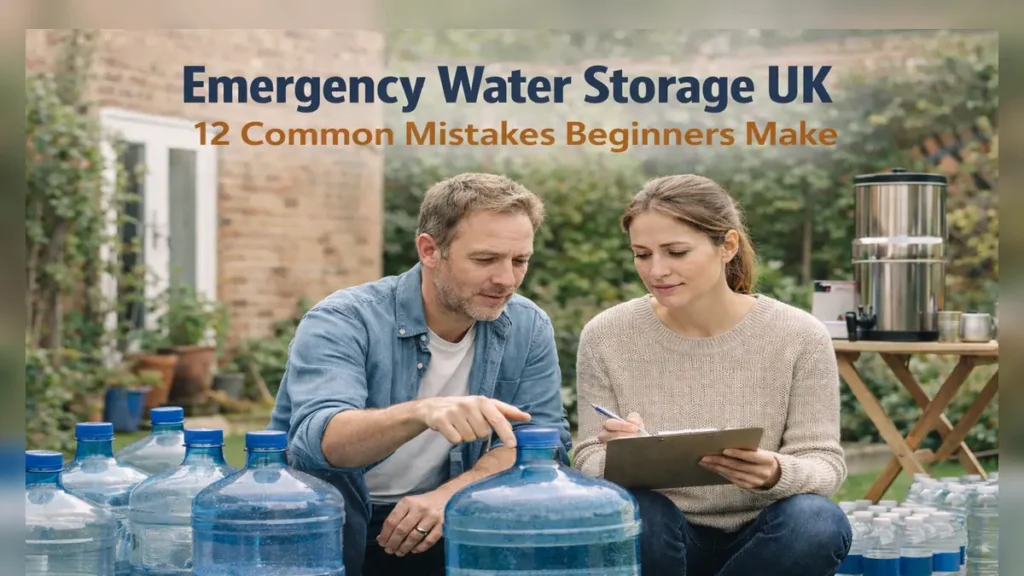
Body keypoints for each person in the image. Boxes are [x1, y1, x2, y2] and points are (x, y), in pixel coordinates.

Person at [268, 172, 573, 576]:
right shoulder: (343, 319)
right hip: (326, 521)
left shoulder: (527, 324)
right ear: (430, 250)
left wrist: (452, 494)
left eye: (520, 261)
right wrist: (422, 411)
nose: (506, 280)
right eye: (485, 260)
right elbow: (320, 444)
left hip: (447, 517)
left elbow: (543, 442)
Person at [572, 174, 852, 576]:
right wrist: (620, 456)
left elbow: (824, 462)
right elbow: (586, 457)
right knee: (639, 512)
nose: (657, 270)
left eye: (676, 251)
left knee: (817, 521)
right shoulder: (607, 335)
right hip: (661, 534)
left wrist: (776, 472)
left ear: (728, 246)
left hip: (768, 535)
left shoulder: (798, 334)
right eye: (642, 254)